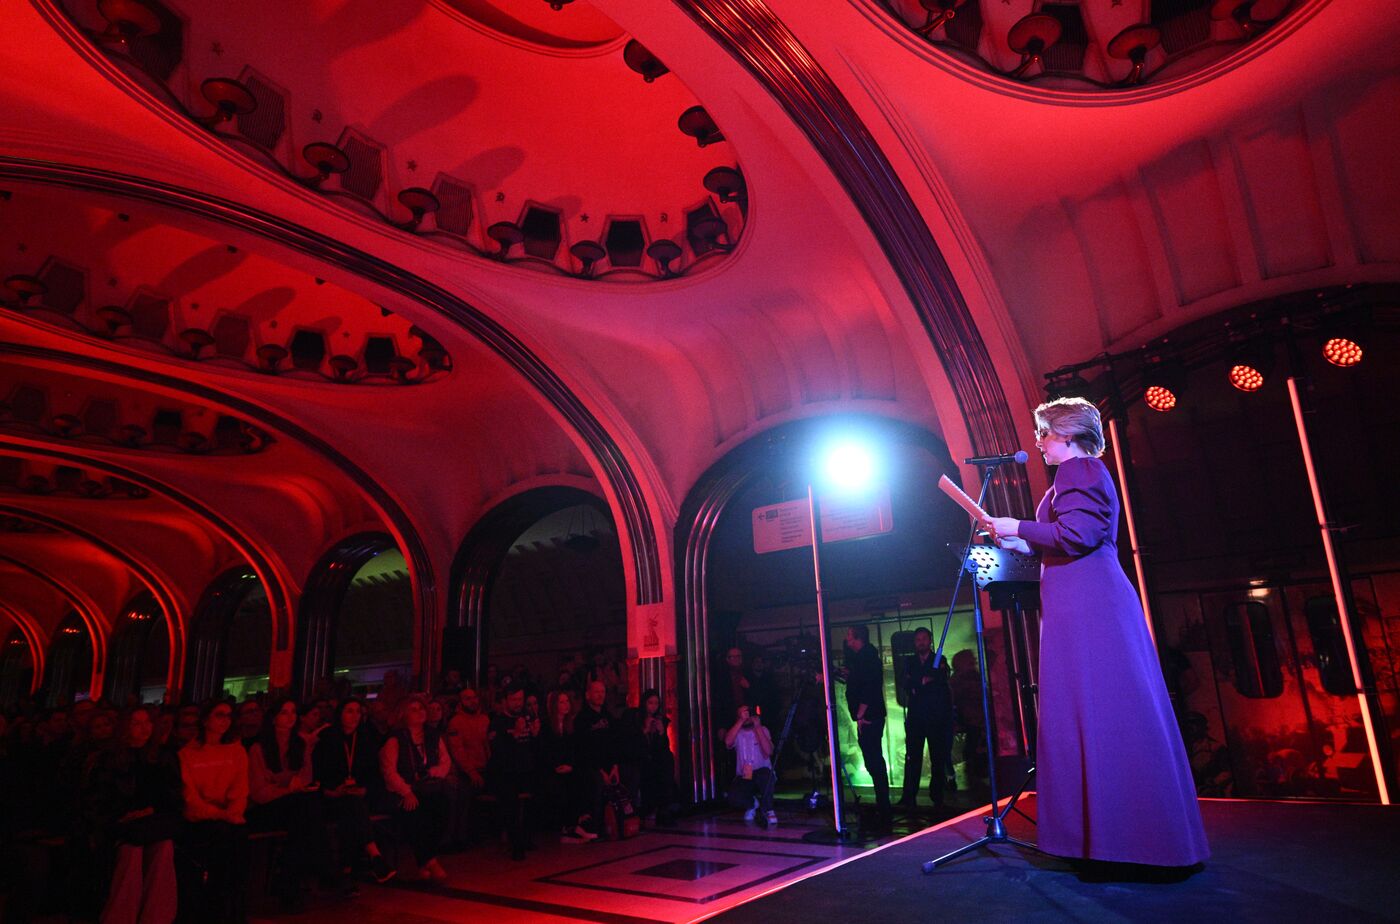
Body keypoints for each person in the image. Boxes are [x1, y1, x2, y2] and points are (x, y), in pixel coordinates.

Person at [984, 396, 1208, 870]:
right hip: (1083, 597)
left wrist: (1017, 524)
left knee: (1100, 709)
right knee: (1102, 711)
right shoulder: (1079, 475)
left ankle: (1119, 841)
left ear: (1067, 434)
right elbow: (1069, 535)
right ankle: (1114, 838)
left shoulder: (1079, 471)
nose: (1040, 442)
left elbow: (1080, 535)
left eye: (1044, 432)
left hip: (1089, 603)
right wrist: (1017, 537)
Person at [85, 705, 182, 924]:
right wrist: (123, 815)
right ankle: (121, 917)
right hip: (119, 824)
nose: (143, 728)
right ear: (126, 727)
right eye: (137, 723)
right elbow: (98, 799)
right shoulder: (108, 759)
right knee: (131, 852)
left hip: (153, 822)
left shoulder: (163, 757)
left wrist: (151, 810)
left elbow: (174, 795)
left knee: (164, 847)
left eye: (147, 722)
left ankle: (156, 917)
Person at [246, 698, 339, 907]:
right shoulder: (258, 748)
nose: (290, 717)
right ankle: (323, 869)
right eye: (284, 712)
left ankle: (290, 883)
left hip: (295, 806)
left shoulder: (300, 743)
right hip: (266, 808)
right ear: (274, 718)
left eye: (293, 712)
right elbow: (259, 792)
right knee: (306, 809)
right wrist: (288, 786)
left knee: (303, 814)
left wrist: (283, 783)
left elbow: (306, 777)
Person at [177, 700, 250, 923]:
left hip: (228, 817)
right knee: (225, 838)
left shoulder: (236, 751)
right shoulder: (187, 754)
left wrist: (233, 812)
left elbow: (240, 788)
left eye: (228, 715)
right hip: (199, 819)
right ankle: (218, 908)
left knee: (236, 838)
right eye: (219, 715)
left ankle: (229, 908)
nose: (225, 720)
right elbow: (190, 798)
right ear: (205, 719)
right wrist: (220, 814)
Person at [313, 697, 396, 883]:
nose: (355, 716)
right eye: (349, 711)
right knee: (351, 807)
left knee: (352, 807)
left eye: (358, 711)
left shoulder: (366, 739)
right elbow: (319, 772)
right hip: (330, 796)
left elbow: (374, 774)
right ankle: (373, 856)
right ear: (340, 714)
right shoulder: (327, 738)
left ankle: (347, 871)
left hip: (356, 796)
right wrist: (333, 791)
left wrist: (364, 789)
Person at [379, 694, 451, 881]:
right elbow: (389, 771)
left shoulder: (433, 736)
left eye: (421, 708)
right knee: (415, 811)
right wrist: (406, 791)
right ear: (404, 714)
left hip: (427, 787)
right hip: (403, 789)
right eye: (414, 709)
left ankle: (424, 861)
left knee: (443, 807)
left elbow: (445, 761)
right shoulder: (395, 739)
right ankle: (430, 861)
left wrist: (436, 772)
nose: (419, 712)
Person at [897, 627, 955, 810]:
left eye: (924, 638)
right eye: (918, 639)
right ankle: (909, 796)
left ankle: (937, 796)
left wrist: (920, 684)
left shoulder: (940, 660)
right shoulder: (910, 661)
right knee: (912, 758)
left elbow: (939, 681)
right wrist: (922, 682)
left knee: (937, 758)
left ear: (929, 640)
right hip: (916, 718)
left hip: (936, 717)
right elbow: (906, 683)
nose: (921, 642)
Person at [842, 624, 891, 829]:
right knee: (873, 760)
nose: (847, 640)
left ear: (857, 638)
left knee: (874, 761)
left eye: (849, 636)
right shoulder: (863, 659)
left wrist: (861, 714)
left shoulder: (867, 658)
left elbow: (869, 687)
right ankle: (883, 805)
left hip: (869, 717)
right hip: (868, 716)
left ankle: (884, 807)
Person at [488, 685, 540, 859]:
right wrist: (515, 734)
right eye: (514, 700)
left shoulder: (527, 717)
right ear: (505, 701)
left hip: (526, 771)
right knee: (509, 799)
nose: (518, 703)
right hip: (505, 772)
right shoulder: (497, 722)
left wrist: (536, 735)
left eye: (520, 699)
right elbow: (498, 752)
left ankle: (527, 837)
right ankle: (517, 844)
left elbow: (533, 749)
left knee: (541, 789)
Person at [445, 685, 490, 846]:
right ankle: (458, 838)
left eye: (474, 697)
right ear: (461, 702)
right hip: (467, 771)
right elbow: (458, 751)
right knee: (463, 797)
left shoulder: (485, 719)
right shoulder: (456, 722)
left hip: (485, 768)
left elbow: (489, 746)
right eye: (467, 698)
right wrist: (471, 771)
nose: (472, 701)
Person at [724, 705, 776, 825]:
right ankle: (751, 804)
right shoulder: (737, 732)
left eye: (747, 713)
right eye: (742, 714)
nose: (746, 716)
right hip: (745, 774)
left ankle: (769, 809)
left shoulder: (763, 729)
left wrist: (757, 727)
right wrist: (741, 721)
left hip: (761, 770)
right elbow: (728, 741)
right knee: (733, 797)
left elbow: (769, 752)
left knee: (766, 777)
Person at [636, 689, 678, 826]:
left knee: (667, 759)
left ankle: (664, 807)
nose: (653, 706)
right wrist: (645, 730)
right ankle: (652, 809)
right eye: (650, 703)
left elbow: (663, 747)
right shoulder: (636, 718)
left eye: (656, 703)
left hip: (657, 758)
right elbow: (635, 743)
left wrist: (661, 733)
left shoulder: (660, 720)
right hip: (641, 756)